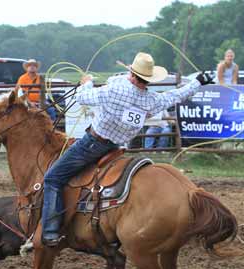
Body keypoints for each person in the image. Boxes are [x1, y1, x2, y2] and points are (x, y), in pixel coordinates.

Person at [40, 52, 212, 246]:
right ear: (148, 79)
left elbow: (82, 97)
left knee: (53, 178)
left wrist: (86, 82)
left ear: (132, 73)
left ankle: (50, 231)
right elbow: (174, 96)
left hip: (92, 144)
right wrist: (198, 82)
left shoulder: (114, 89)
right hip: (118, 148)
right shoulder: (151, 100)